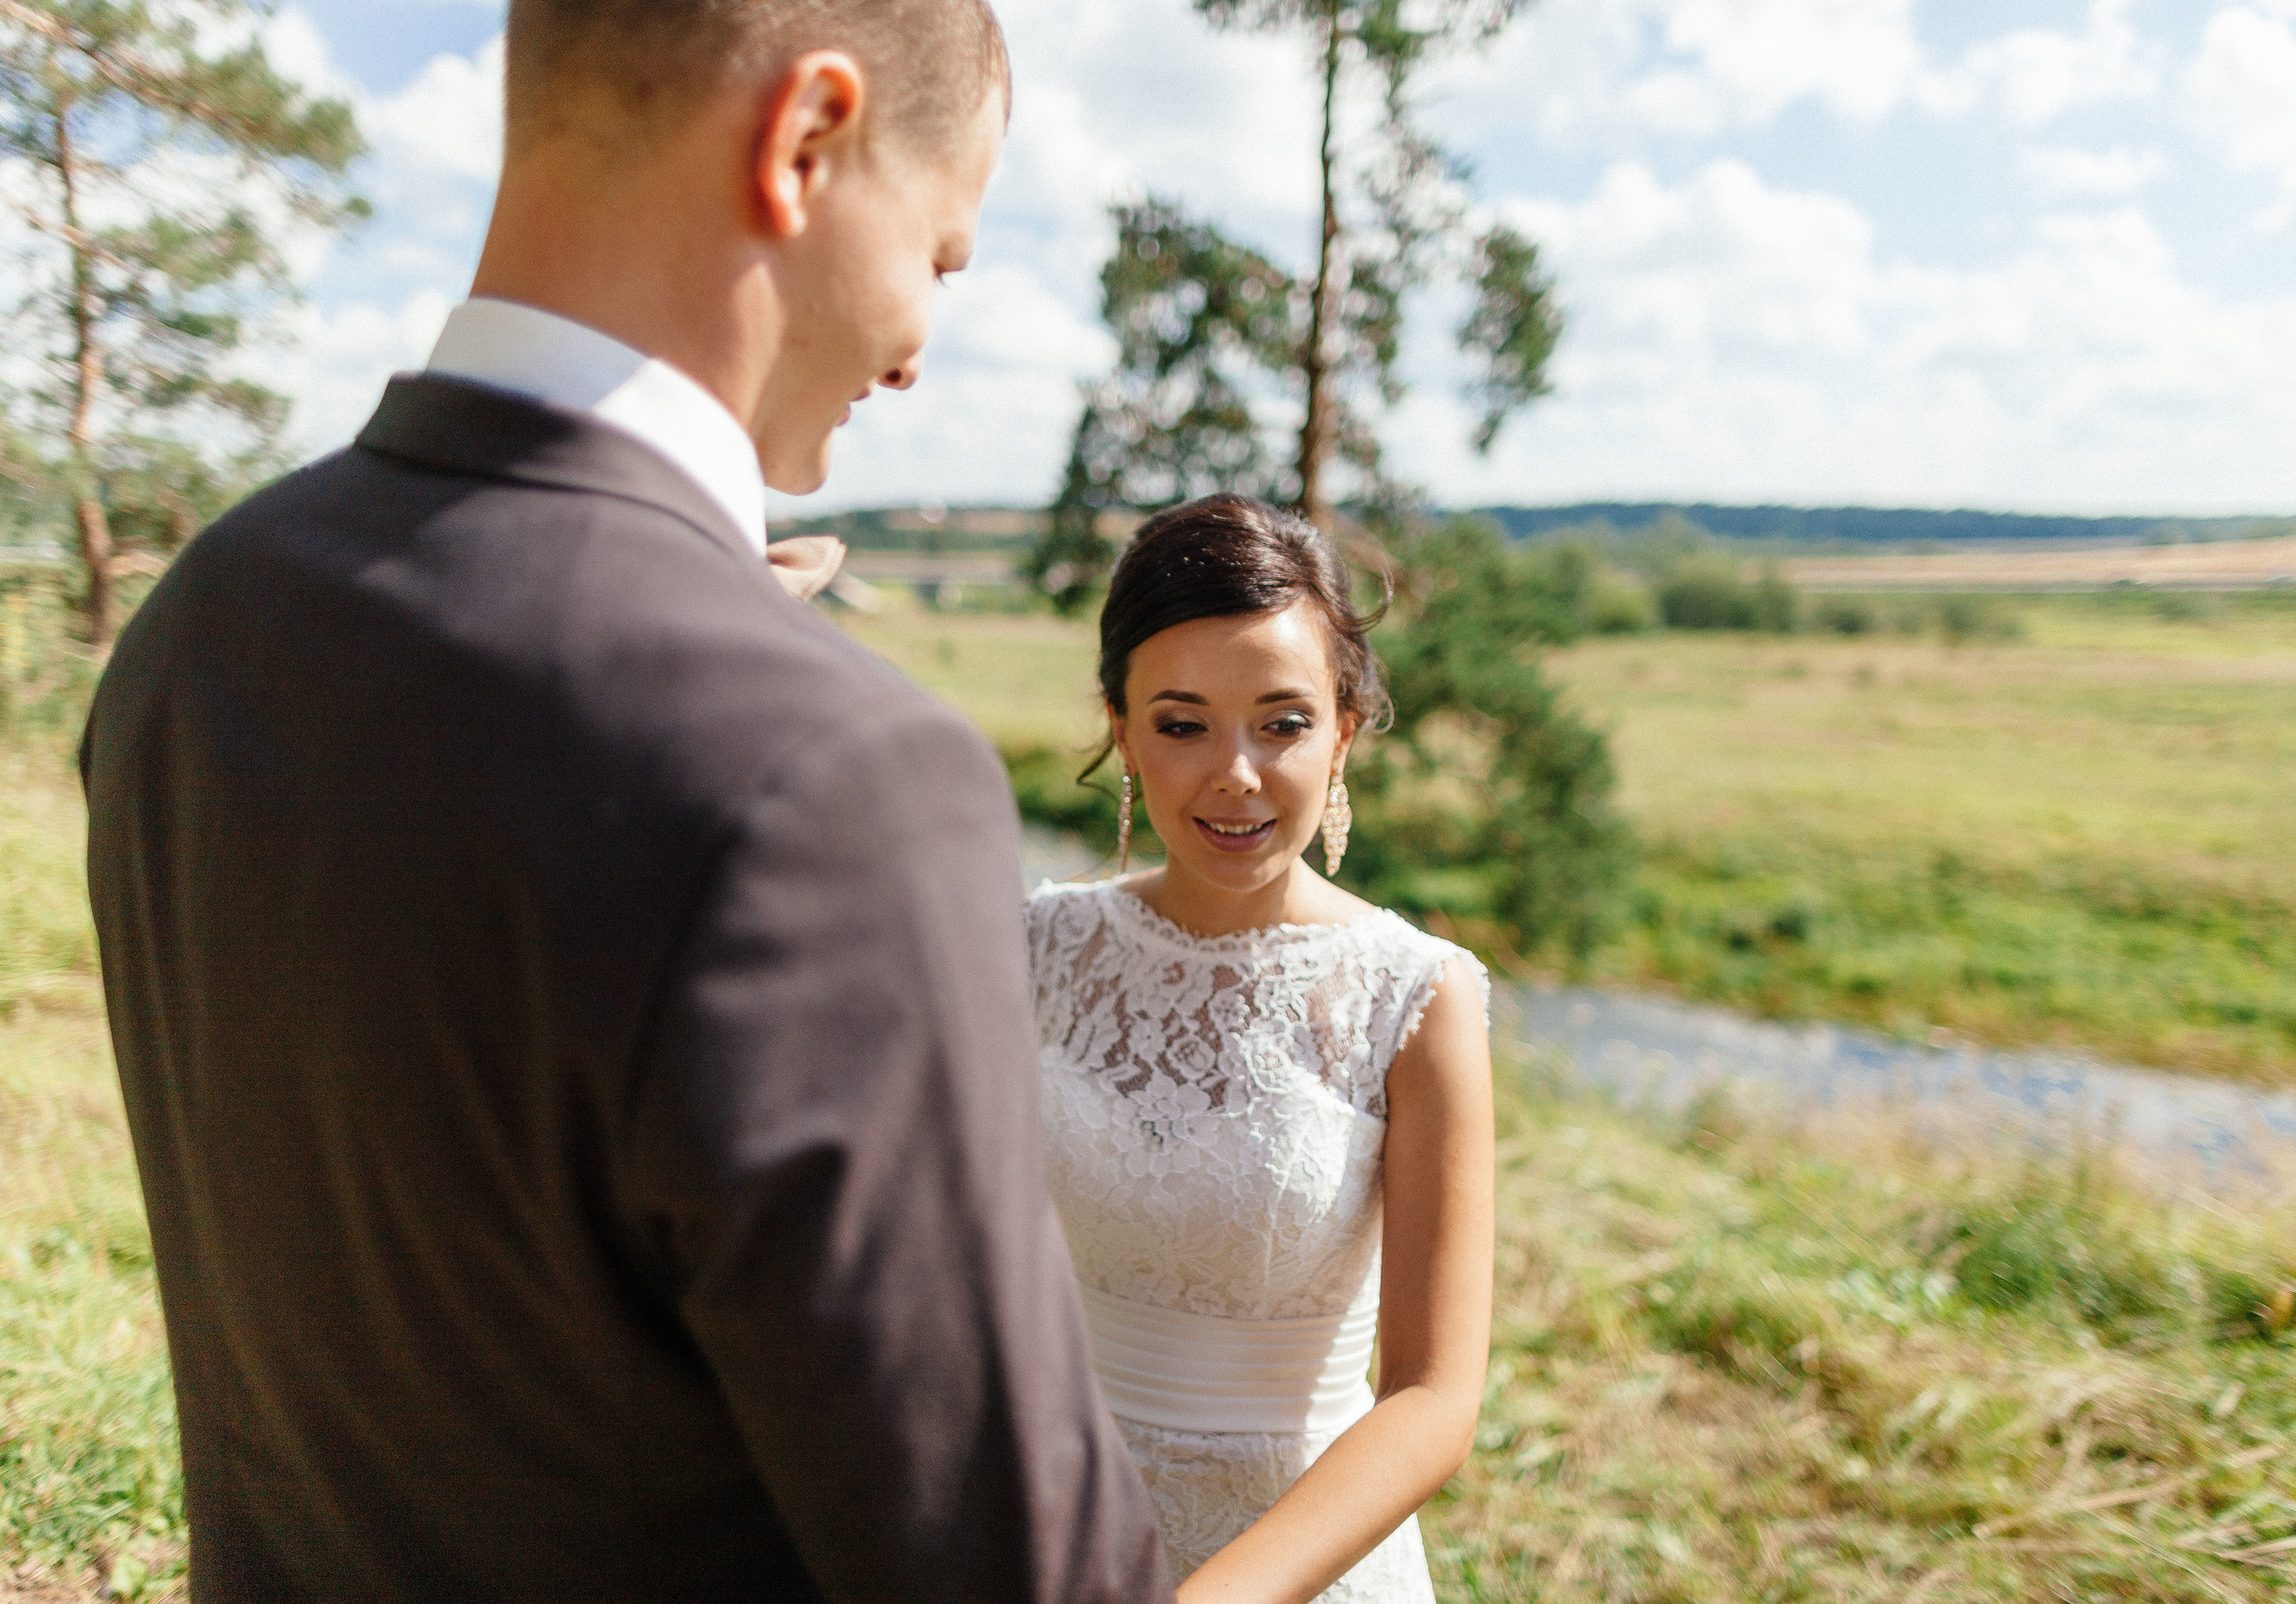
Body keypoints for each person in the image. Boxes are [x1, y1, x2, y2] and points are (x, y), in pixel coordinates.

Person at [80, 3, 1173, 1600]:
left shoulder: (204, 619)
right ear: (805, 139)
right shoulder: (831, 776)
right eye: (939, 256)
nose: (918, 349)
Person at [1024, 495, 1496, 1603]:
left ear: (1343, 731)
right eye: (1182, 724)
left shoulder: (1417, 995)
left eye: (1281, 723)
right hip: (1056, 1529)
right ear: (1122, 730)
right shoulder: (1030, 947)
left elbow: (1433, 1399)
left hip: (1303, 1564)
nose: (1235, 774)